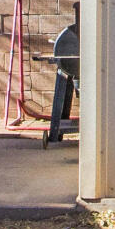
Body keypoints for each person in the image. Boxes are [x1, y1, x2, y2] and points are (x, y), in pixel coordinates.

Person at [43, 14, 79, 146]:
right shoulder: (71, 35)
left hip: (70, 63)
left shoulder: (70, 34)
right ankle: (56, 131)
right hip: (69, 64)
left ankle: (56, 132)